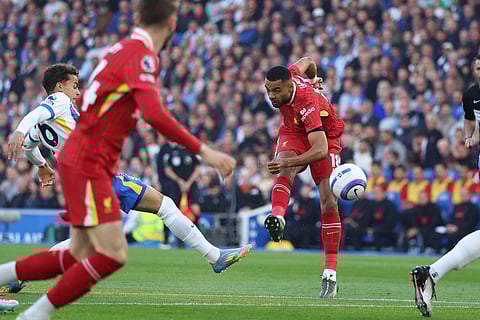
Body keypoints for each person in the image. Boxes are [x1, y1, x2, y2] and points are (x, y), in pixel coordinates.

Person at [0, 2, 245, 319]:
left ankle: (214, 256)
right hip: (93, 168)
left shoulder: (107, 63)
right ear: (61, 85)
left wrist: (42, 165)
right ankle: (213, 255)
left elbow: (35, 143)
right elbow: (36, 115)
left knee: (96, 243)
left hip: (90, 168)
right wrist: (19, 132)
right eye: (75, 85)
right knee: (103, 244)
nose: (78, 91)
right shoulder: (60, 99)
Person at [262, 57, 344, 298]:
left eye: (277, 91)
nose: (272, 96)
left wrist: (287, 161)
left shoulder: (307, 102)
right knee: (284, 169)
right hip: (293, 129)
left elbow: (318, 150)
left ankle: (330, 273)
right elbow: (308, 60)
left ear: (289, 87)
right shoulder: (290, 74)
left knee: (328, 201)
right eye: (268, 91)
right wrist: (313, 78)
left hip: (326, 138)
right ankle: (277, 217)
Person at [411, 55, 480, 318]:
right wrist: (471, 135)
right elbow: (472, 122)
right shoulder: (472, 94)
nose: (479, 73)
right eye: (477, 68)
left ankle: (431, 274)